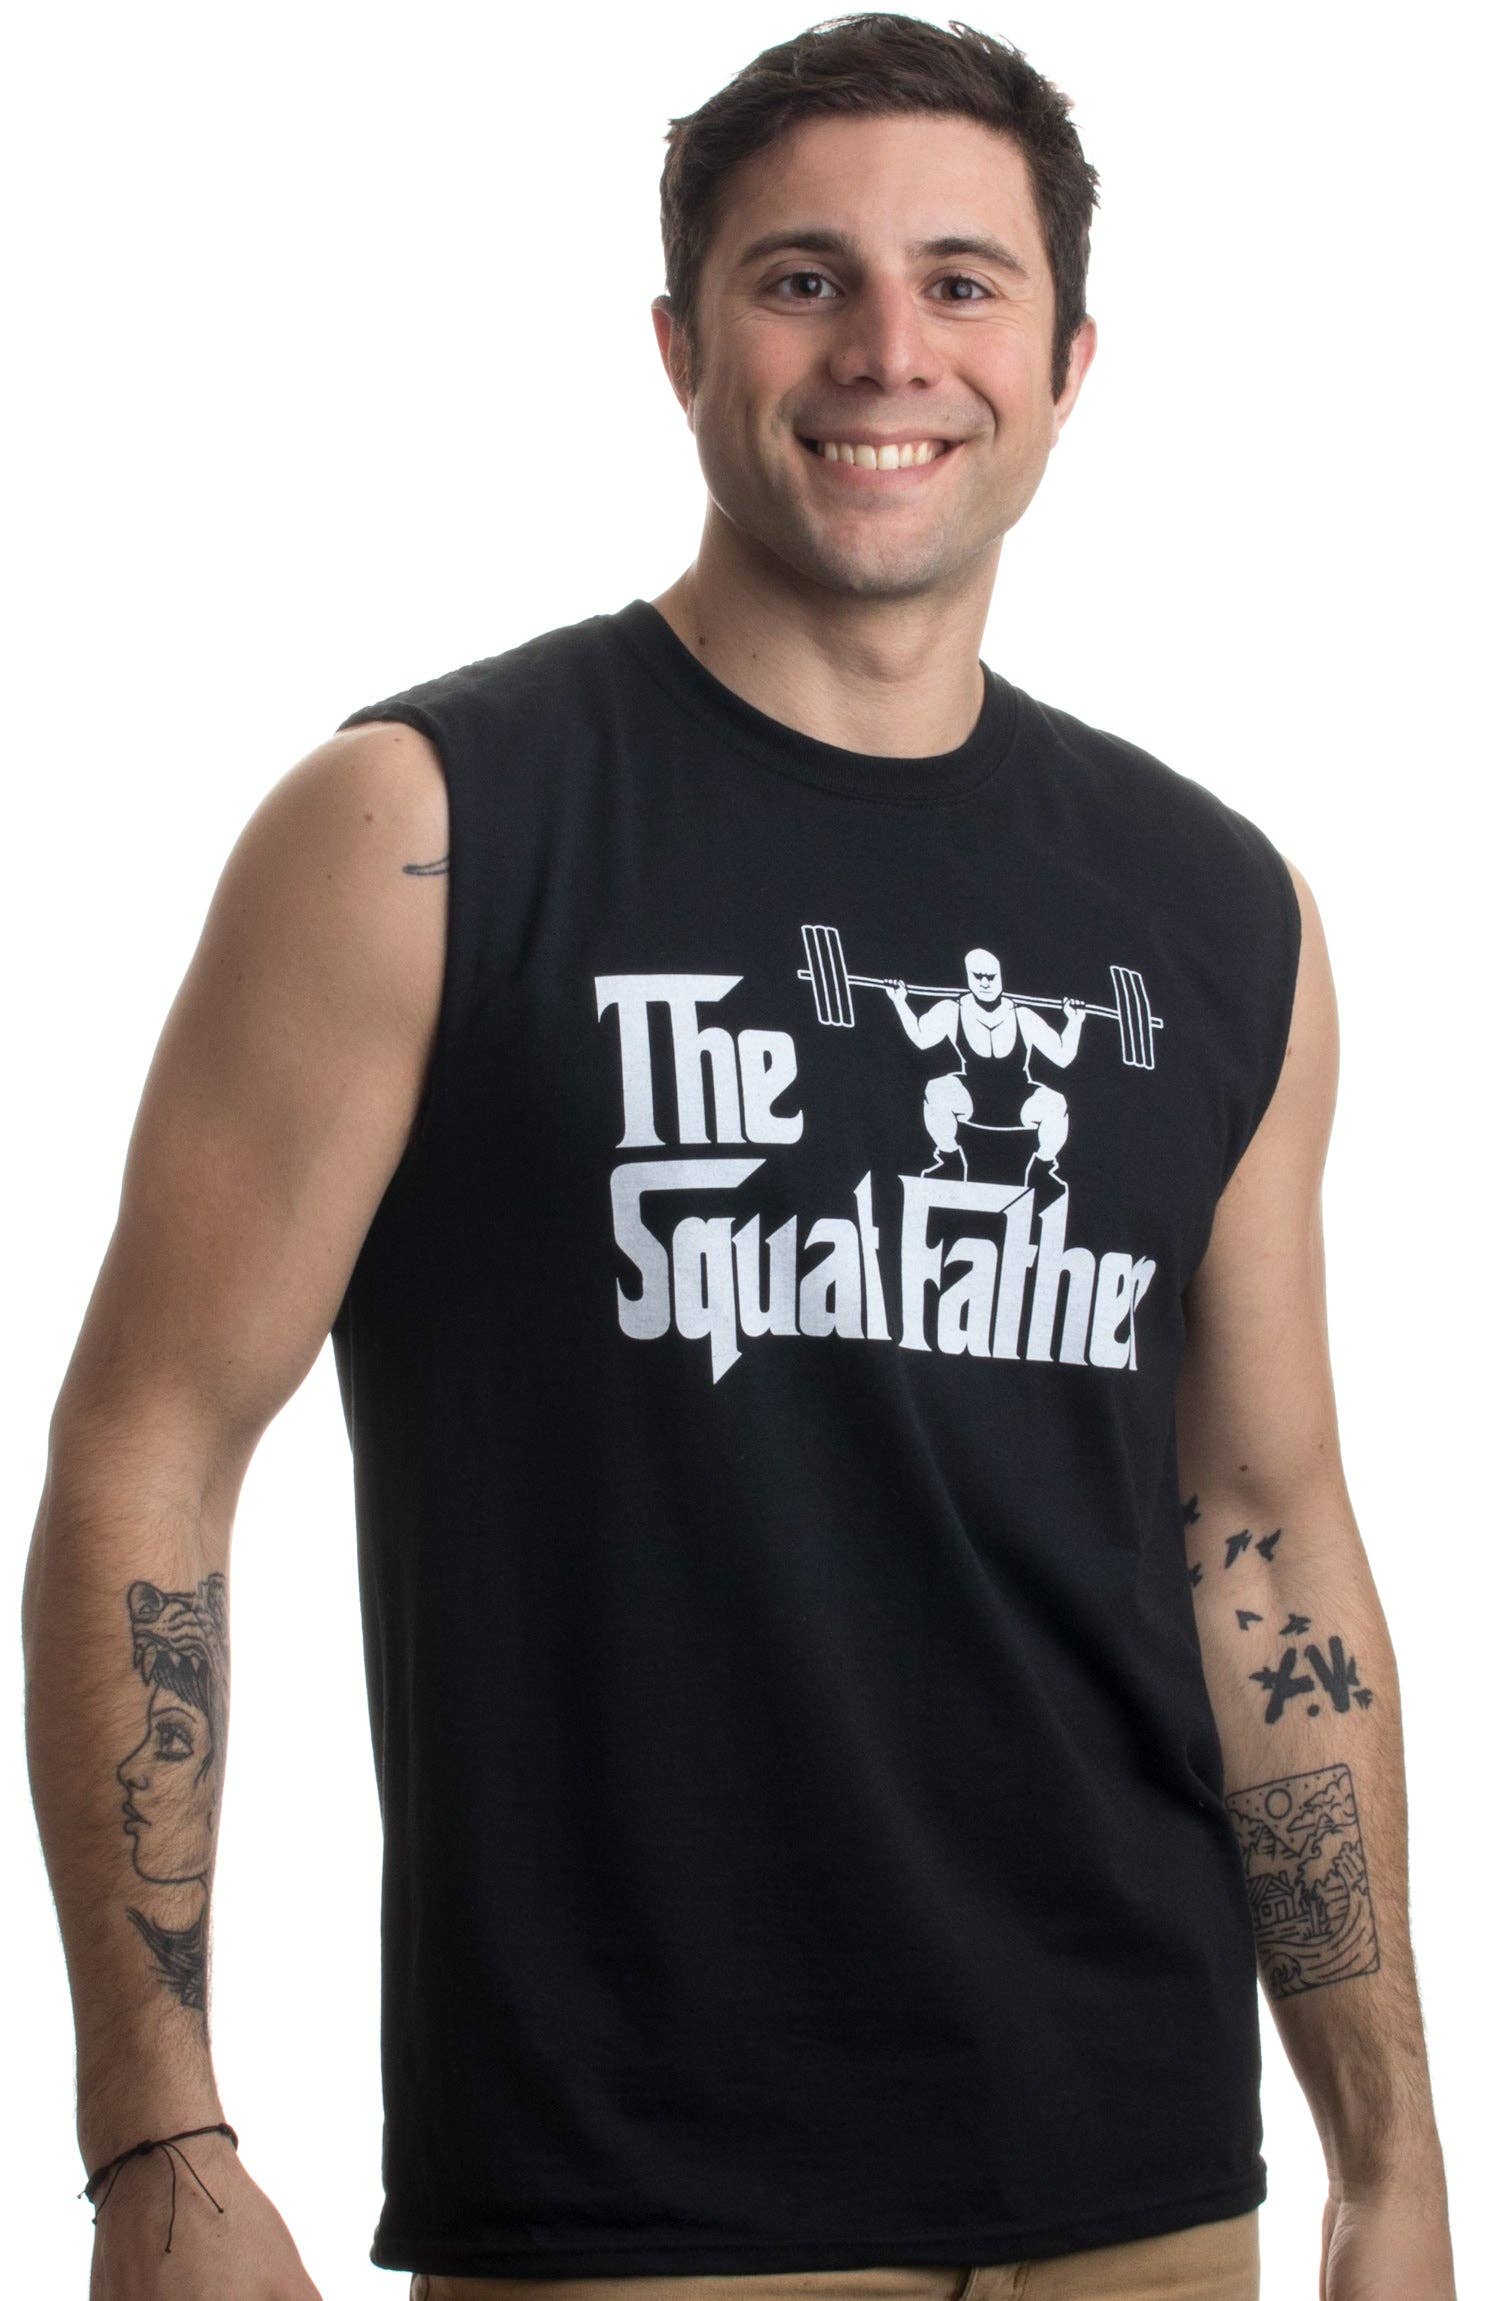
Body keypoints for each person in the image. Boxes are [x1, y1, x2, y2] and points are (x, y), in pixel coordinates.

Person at [20, 14, 1456, 2301]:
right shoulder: (423, 830)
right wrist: (154, 2129)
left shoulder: (1219, 909)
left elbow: (1267, 1538)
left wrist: (1392, 2156)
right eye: (805, 278)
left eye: (964, 282)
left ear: (1069, 364)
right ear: (682, 345)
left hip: (1153, 2195)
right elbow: (149, 1448)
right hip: (637, 2207)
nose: (891, 349)